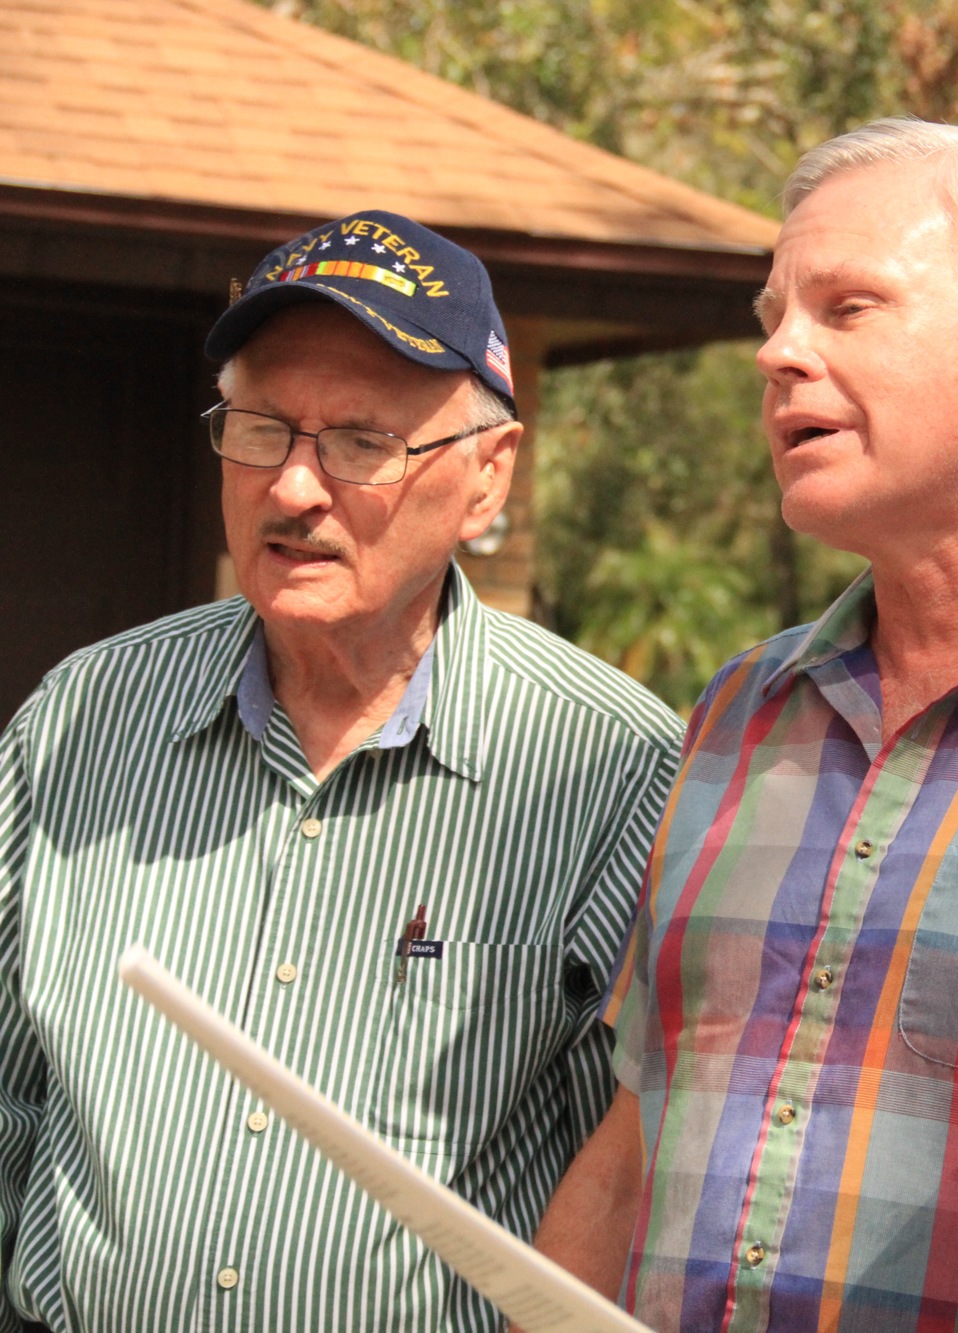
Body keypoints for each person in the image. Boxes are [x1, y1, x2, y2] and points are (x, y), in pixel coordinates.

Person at [528, 120, 958, 1331]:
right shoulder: (741, 713)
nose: (778, 355)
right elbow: (638, 1137)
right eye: (770, 317)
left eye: (846, 309)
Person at [0, 210, 685, 1331]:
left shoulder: (609, 766)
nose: (293, 489)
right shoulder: (86, 717)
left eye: (361, 443)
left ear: (486, 475)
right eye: (262, 429)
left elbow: (641, 1161)